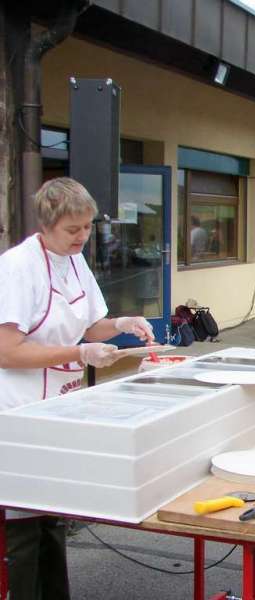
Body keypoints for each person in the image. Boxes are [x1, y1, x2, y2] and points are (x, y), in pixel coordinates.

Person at [0, 177, 155, 600]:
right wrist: (78, 352)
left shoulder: (75, 262)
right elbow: (7, 351)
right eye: (73, 229)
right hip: (18, 411)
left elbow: (90, 324)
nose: (83, 237)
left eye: (87, 228)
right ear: (47, 224)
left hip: (61, 406)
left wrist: (121, 325)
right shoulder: (16, 268)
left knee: (53, 518)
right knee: (23, 531)